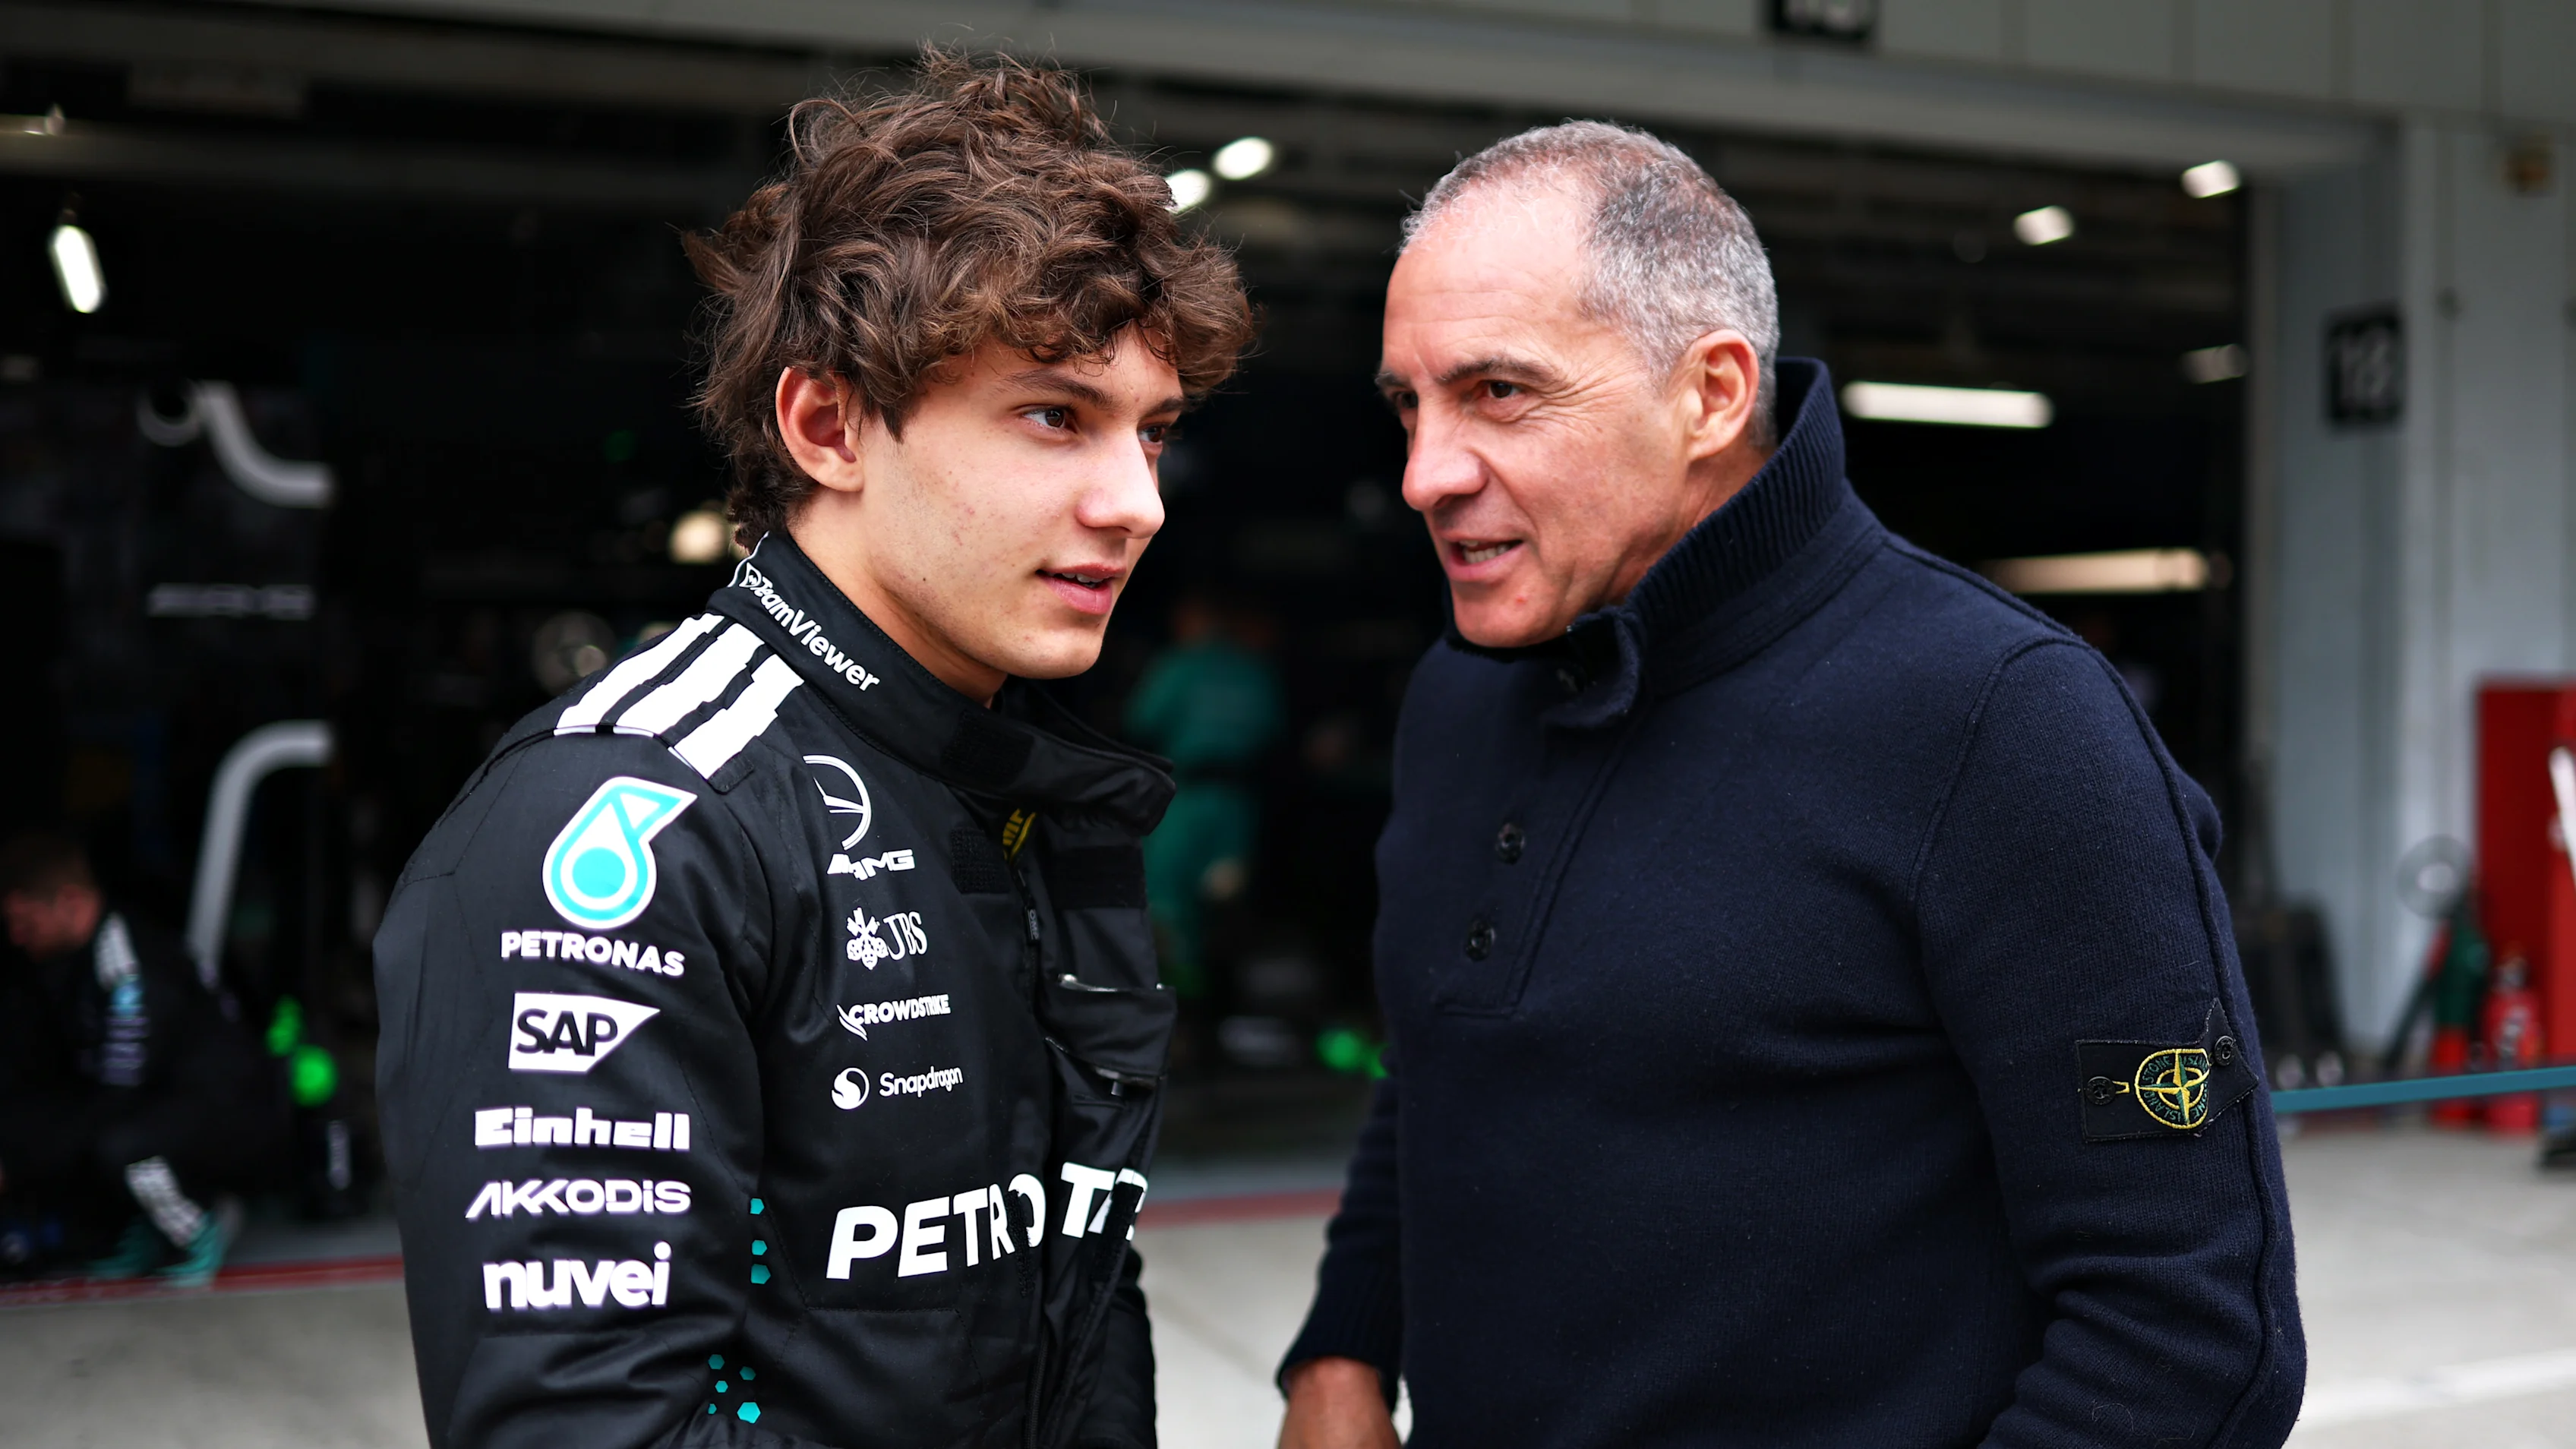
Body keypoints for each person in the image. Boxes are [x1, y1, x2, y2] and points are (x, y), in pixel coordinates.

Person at [1277, 123, 2303, 1447]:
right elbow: (1448, 1054)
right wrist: (1344, 1348)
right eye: (1407, 403)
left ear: (1709, 394)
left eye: (1498, 393)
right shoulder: (1460, 691)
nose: (1425, 471)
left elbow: (2192, 1332)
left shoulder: (2005, 724)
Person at [373, 49, 1252, 1449]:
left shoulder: (1027, 790)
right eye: (1053, 415)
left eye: (1152, 432)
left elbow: (1075, 1292)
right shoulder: (625, 823)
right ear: (828, 422)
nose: (1135, 499)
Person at [0, 831, 286, 1286]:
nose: (15, 937)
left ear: (70, 901)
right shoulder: (64, 965)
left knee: (120, 1147)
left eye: (25, 922)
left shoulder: (130, 967)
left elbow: (114, 1097)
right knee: (72, 1129)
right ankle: (147, 1229)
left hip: (240, 1113)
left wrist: (19, 1166)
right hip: (168, 1103)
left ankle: (197, 1227)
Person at [1125, 593, 1285, 999]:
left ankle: (1182, 1007)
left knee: (1167, 905)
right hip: (1237, 805)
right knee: (1227, 901)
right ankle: (1226, 1003)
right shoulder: (1254, 669)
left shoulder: (1181, 665)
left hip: (1187, 799)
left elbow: (1141, 720)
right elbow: (1273, 730)